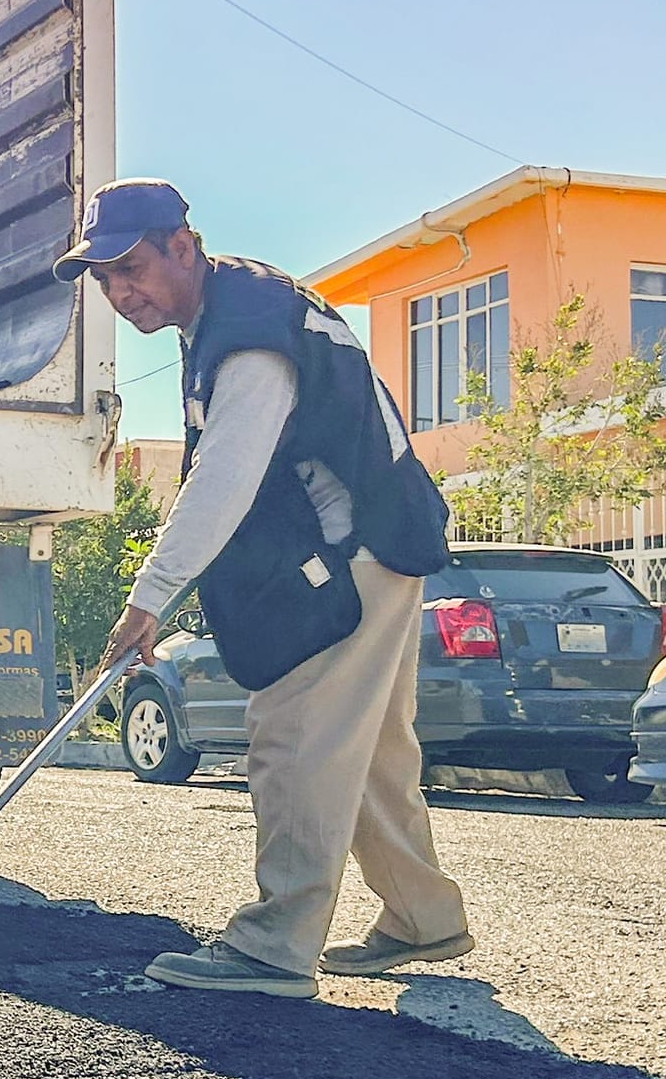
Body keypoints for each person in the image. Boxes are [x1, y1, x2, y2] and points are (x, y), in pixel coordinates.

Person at [61, 179, 473, 1000]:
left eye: (131, 268)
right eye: (104, 279)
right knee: (369, 752)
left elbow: (225, 476)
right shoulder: (239, 305)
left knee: (293, 736)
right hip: (376, 548)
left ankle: (276, 944)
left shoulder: (248, 335)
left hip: (349, 558)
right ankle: (424, 918)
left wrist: (149, 598)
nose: (120, 292)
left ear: (184, 246)